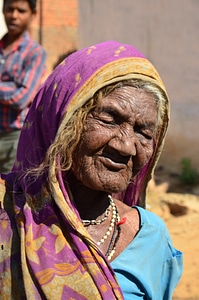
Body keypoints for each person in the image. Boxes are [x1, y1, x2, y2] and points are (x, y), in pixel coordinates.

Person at [0, 41, 183, 299]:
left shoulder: (151, 238)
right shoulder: (7, 215)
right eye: (109, 119)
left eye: (144, 133)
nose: (127, 147)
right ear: (62, 118)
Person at [0, 0, 46, 173]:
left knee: (8, 194)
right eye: (10, 9)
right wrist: (9, 86)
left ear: (32, 14)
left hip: (15, 139)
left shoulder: (35, 53)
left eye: (21, 10)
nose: (14, 15)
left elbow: (21, 98)